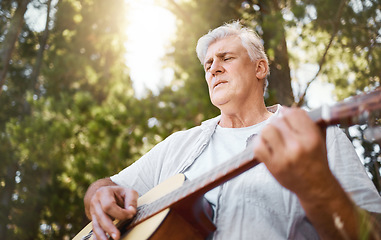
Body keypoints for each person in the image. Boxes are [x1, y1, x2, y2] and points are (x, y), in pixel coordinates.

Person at [84, 21, 381, 240]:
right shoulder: (177, 145)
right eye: (208, 64)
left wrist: (317, 187)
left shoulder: (319, 137)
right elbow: (105, 186)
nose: (213, 68)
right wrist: (98, 197)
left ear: (260, 68)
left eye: (226, 58)